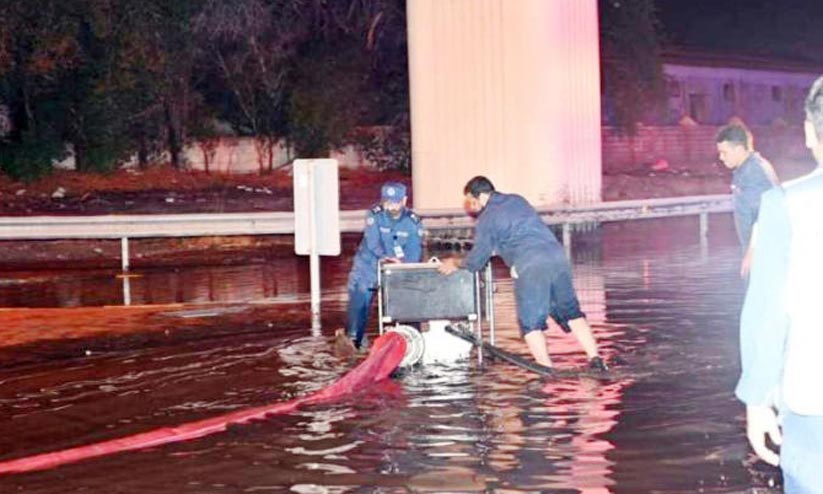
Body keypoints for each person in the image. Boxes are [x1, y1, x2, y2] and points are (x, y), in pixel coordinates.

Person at [735, 75, 823, 493]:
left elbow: (767, 311)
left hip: (813, 398)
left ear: (809, 132)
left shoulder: (784, 205)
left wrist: (757, 395)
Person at [437, 176, 607, 371]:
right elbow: (523, 231)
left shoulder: (487, 218)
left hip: (530, 263)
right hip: (557, 256)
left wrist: (456, 263)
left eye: (471, 200)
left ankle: (546, 369)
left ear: (482, 196)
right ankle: (596, 359)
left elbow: (476, 260)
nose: (469, 205)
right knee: (571, 311)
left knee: (530, 323)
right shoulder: (517, 200)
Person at [340, 181, 423, 350]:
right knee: (359, 303)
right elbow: (373, 241)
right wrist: (386, 257)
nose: (391, 206)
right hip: (368, 267)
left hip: (398, 269)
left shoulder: (413, 222)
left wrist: (403, 267)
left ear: (404, 201)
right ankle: (353, 341)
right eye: (387, 202)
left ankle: (406, 344)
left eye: (396, 202)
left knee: (404, 307)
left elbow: (414, 252)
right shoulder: (374, 215)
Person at [715, 123, 779, 277]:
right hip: (760, 251)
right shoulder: (748, 168)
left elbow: (764, 214)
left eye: (724, 152)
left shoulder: (753, 173)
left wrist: (752, 251)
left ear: (738, 149)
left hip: (763, 254)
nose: (721, 157)